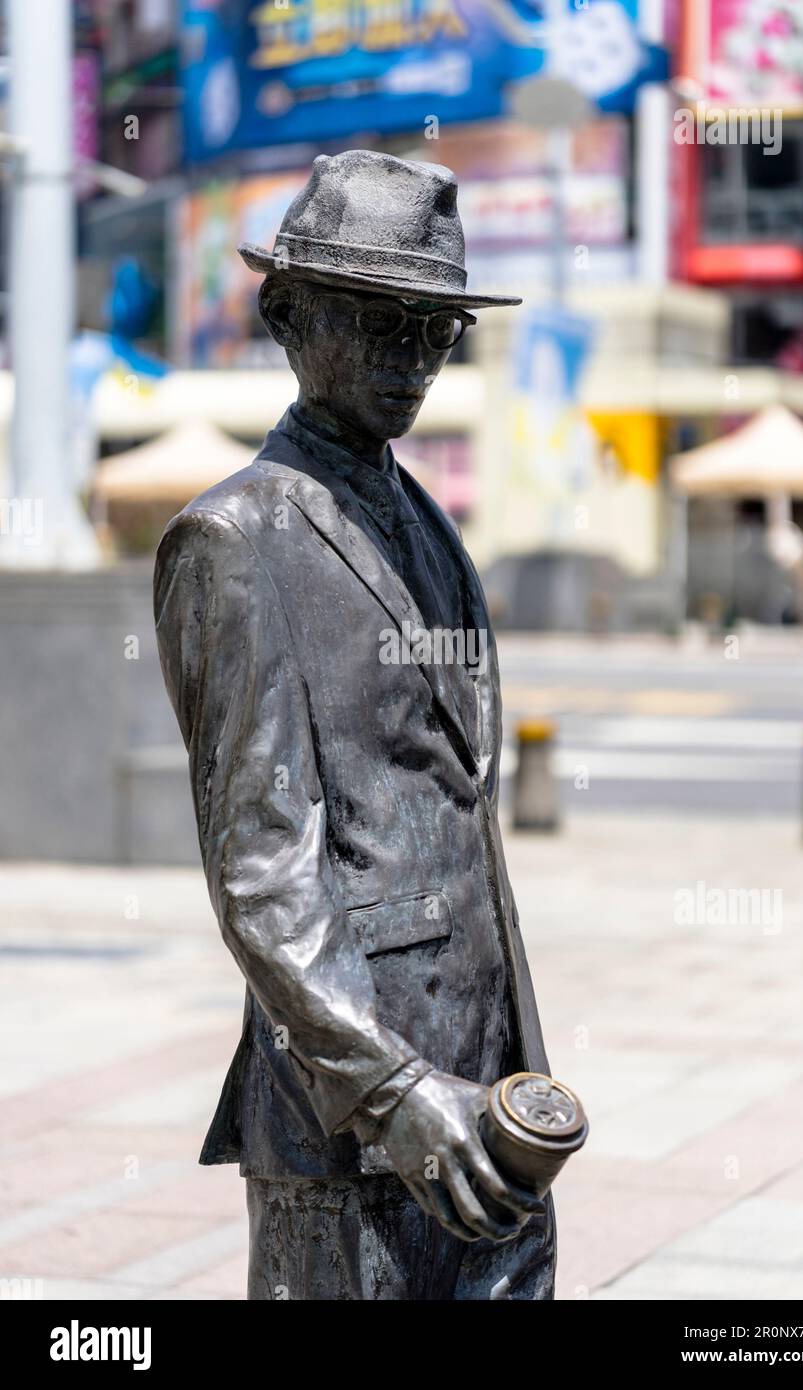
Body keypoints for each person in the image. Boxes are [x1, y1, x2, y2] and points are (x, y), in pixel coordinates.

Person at [154, 151, 555, 1300]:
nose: (410, 358)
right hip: (358, 1115)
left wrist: (500, 1071)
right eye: (378, 322)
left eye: (434, 331)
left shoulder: (430, 522)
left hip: (489, 1097)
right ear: (286, 311)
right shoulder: (236, 543)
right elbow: (263, 873)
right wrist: (395, 1093)